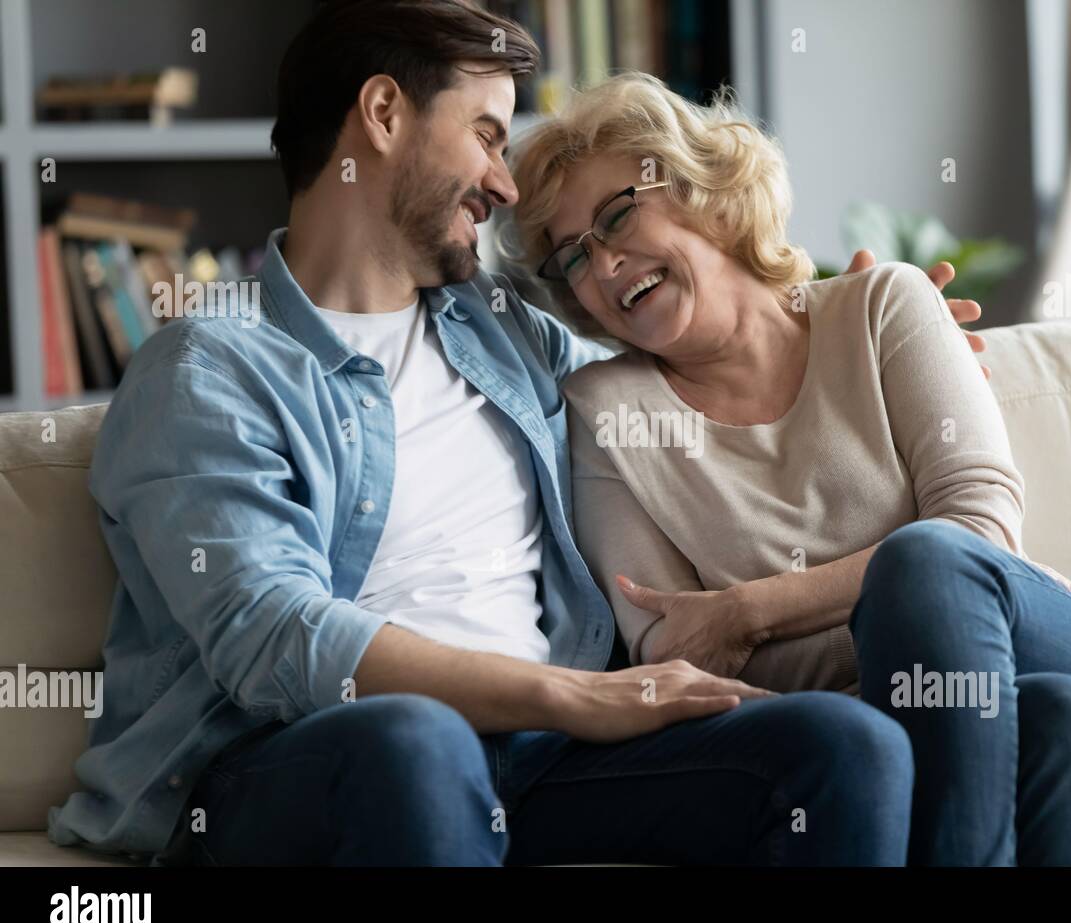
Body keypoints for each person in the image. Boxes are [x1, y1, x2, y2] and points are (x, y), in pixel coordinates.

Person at [41, 0, 1001, 867]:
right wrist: (570, 696)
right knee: (416, 743)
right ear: (382, 116)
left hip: (542, 763)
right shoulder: (210, 368)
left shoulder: (510, 336)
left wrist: (837, 326)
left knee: (843, 746)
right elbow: (272, 636)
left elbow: (683, 374)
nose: (503, 184)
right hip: (299, 766)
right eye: (488, 136)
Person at [504, 72, 1071, 865]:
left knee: (929, 561)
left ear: (705, 192)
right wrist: (899, 641)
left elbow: (977, 529)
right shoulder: (603, 413)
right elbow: (677, 653)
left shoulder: (882, 306)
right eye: (571, 258)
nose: (604, 261)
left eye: (618, 213)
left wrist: (750, 609)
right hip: (945, 732)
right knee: (1065, 722)